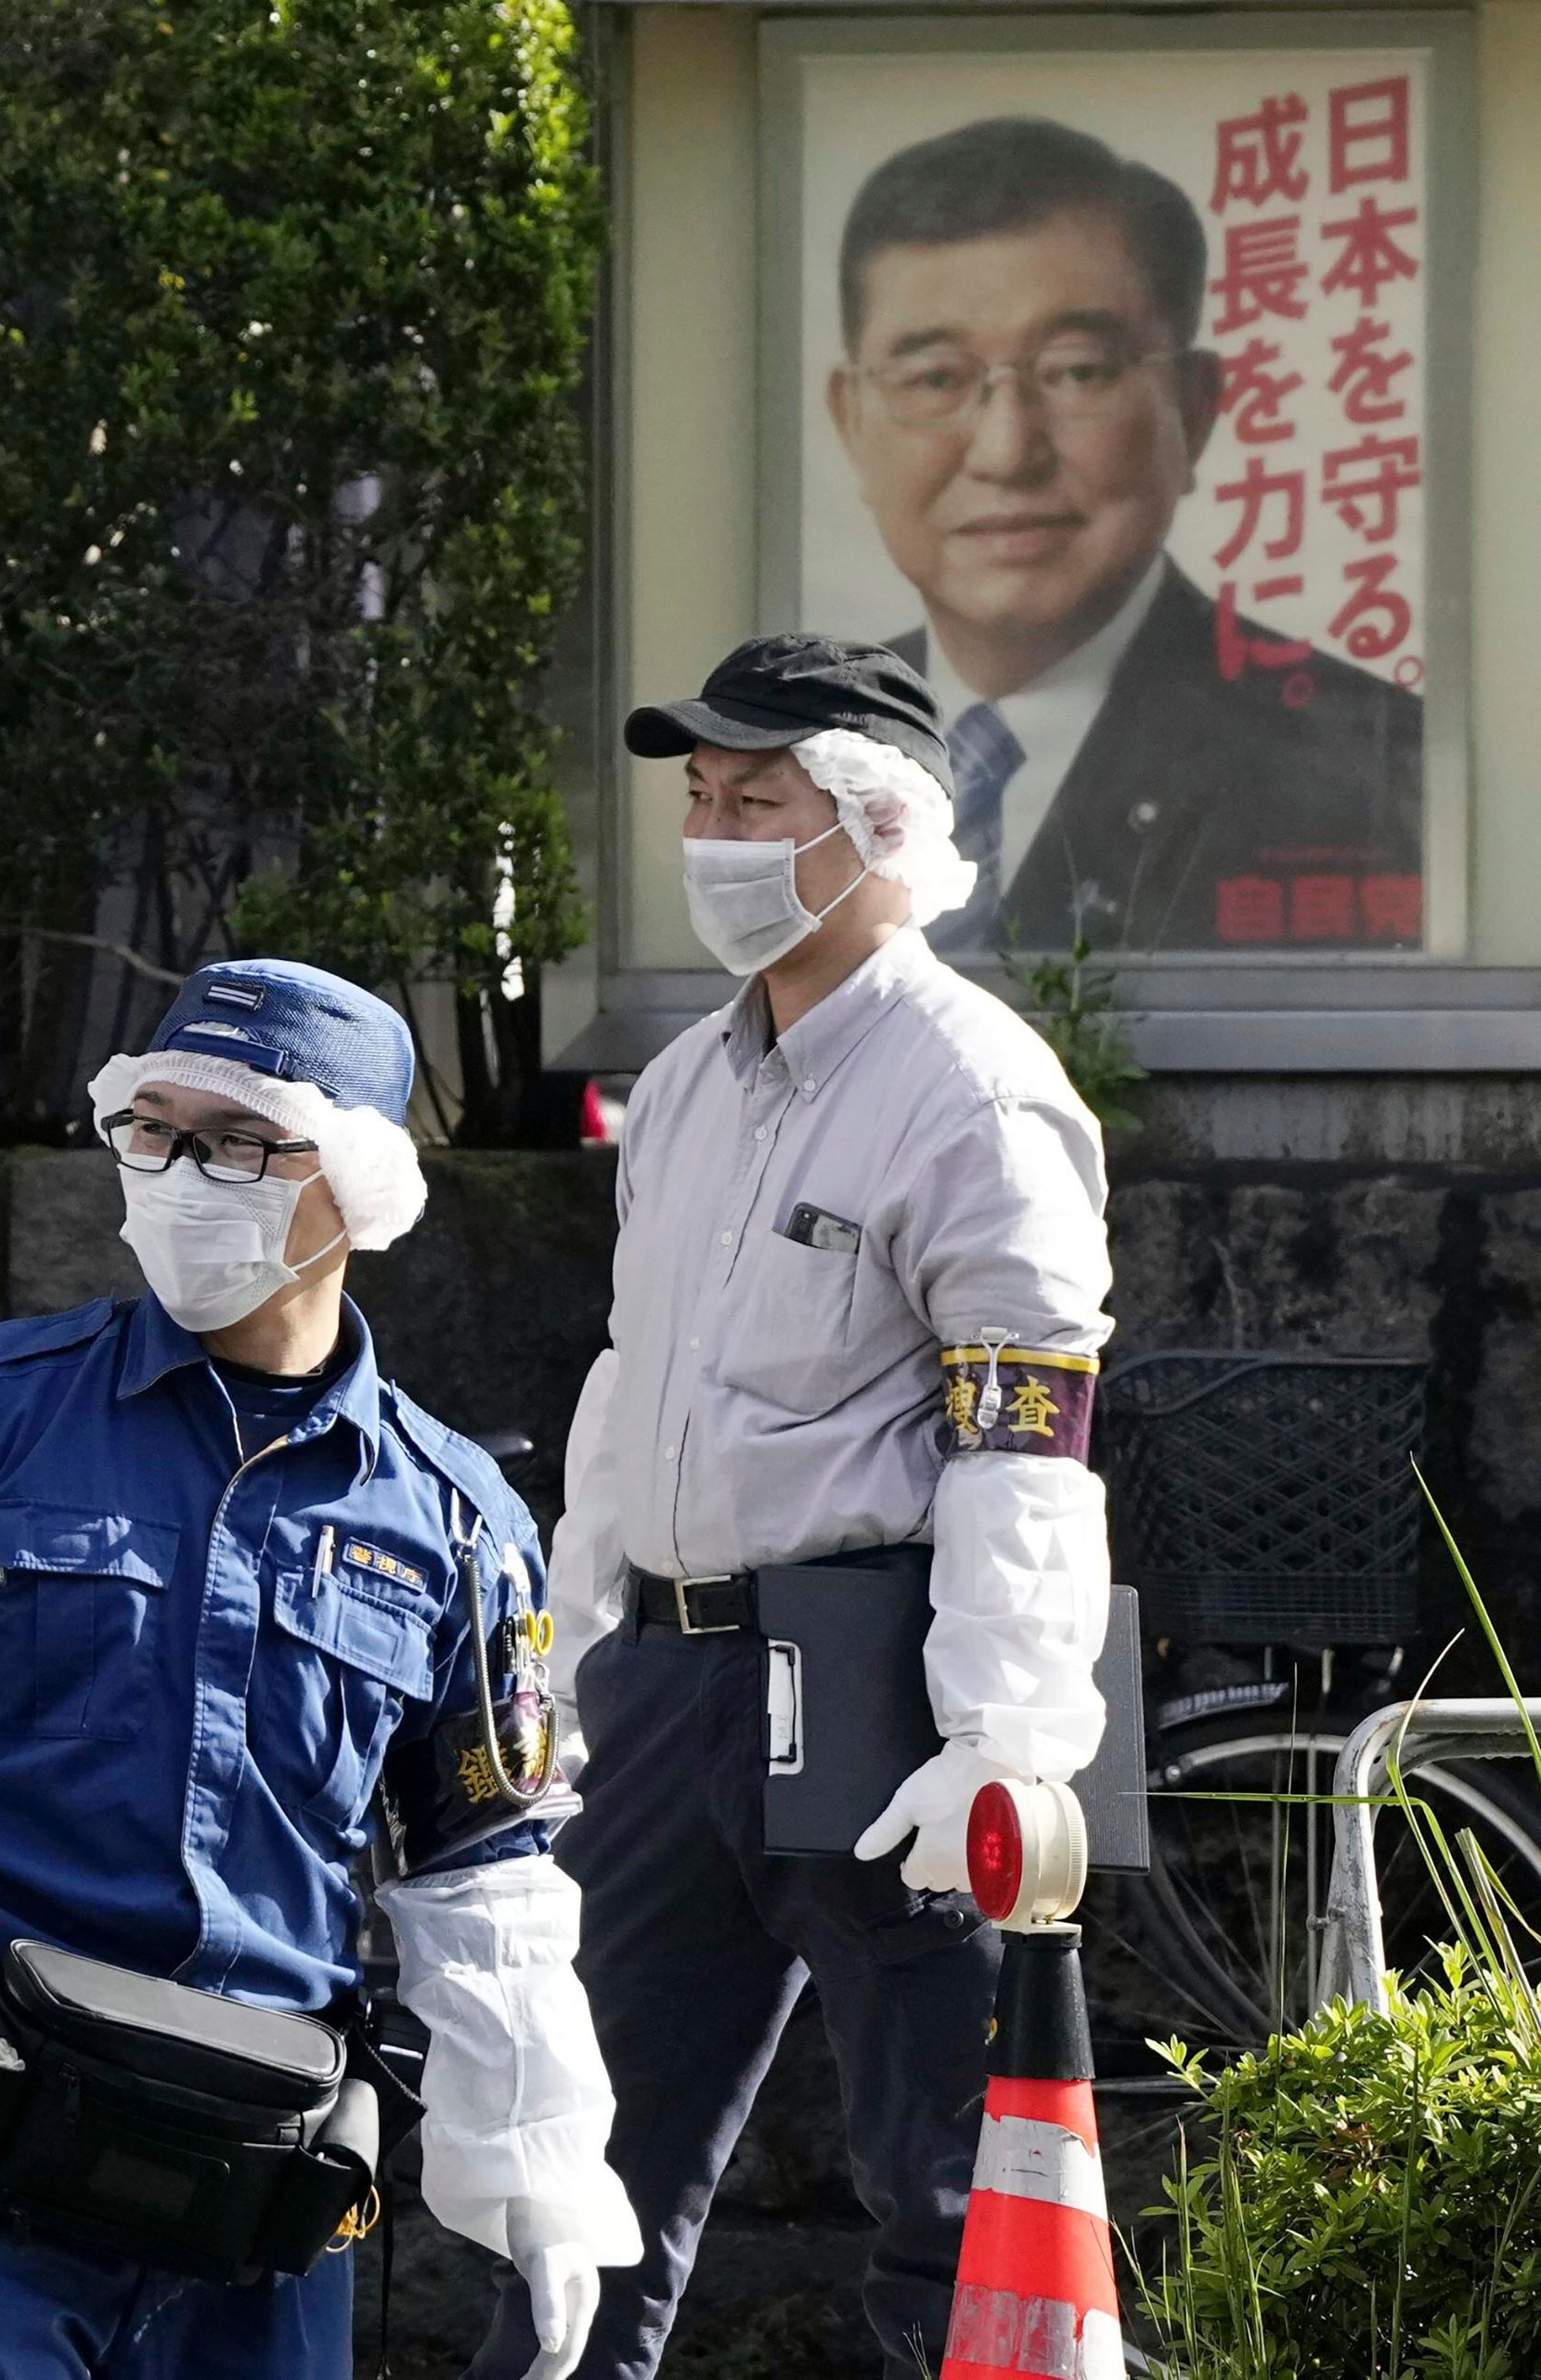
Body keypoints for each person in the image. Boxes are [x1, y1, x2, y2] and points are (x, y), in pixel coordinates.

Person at [0, 959, 639, 2380]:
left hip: (257, 2184)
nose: (190, 1173)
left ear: (366, 1181)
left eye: (246, 1139)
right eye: (159, 1129)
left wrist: (542, 2161)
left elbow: (482, 1872)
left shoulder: (454, 1519)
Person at [468, 635, 1115, 2379]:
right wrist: (562, 1655)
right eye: (700, 795)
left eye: (759, 796)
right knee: (578, 2156)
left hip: (882, 1676)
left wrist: (1007, 1728)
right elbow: (629, 1389)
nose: (715, 832)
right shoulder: (679, 1086)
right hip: (669, 1684)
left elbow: (1025, 1428)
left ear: (882, 824)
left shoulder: (972, 1088)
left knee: (949, 2182)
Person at [826, 114, 1421, 952]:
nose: (1006, 451)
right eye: (934, 378)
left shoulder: (1377, 775)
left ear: (1194, 407)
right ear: (851, 421)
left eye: (1077, 371)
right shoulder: (800, 751)